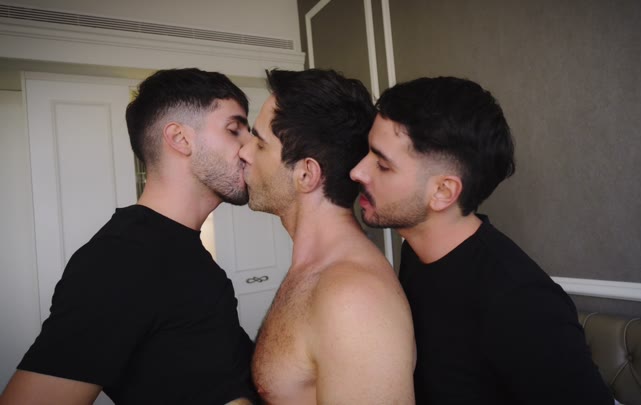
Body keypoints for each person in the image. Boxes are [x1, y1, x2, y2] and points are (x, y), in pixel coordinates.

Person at [0, 68, 258, 405]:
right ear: (180, 139)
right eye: (234, 130)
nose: (250, 149)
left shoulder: (182, 250)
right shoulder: (121, 259)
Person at [350, 76, 614, 405]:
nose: (357, 171)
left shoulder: (521, 302)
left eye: (382, 164)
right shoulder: (416, 254)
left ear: (443, 192)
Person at [238, 69, 415, 405]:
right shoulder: (314, 270)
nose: (244, 152)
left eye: (260, 143)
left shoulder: (353, 300)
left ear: (306, 174)